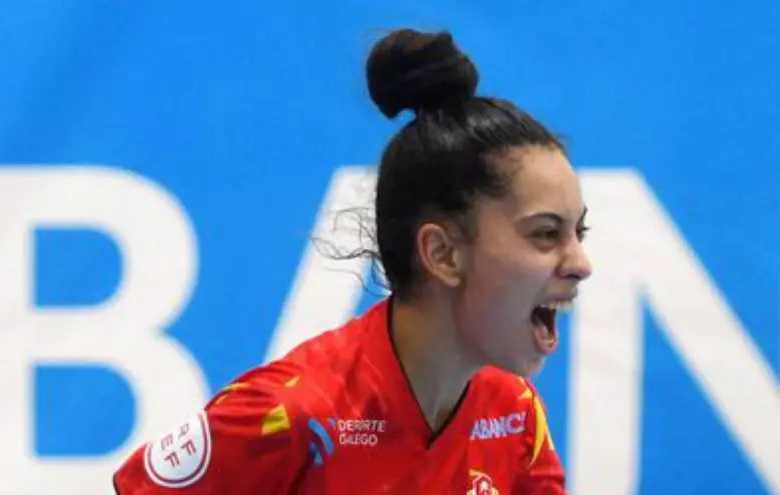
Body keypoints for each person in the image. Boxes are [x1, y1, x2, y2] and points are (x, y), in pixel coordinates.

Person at [112, 27, 592, 494]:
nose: (580, 263)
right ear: (443, 254)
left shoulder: (513, 412)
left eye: (579, 232)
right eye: (546, 234)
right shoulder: (292, 414)